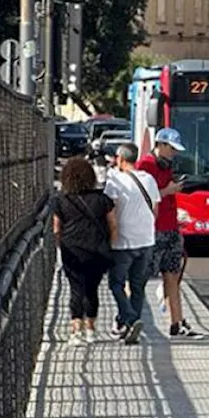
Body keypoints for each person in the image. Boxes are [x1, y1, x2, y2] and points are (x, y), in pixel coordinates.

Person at [137, 127, 199, 338]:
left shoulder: (167, 166)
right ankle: (131, 318)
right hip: (153, 230)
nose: (173, 153)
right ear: (160, 144)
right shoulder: (146, 166)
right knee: (141, 277)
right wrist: (168, 191)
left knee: (173, 275)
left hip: (171, 227)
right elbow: (143, 197)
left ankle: (177, 321)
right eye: (171, 148)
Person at [53, 156, 118, 346]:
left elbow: (57, 228)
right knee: (92, 289)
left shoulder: (61, 201)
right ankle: (91, 329)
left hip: (72, 250)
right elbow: (113, 225)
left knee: (75, 289)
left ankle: (76, 331)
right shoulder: (103, 199)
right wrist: (111, 246)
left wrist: (60, 246)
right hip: (98, 250)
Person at [104, 142, 160, 345]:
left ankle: (130, 318)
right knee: (138, 286)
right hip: (146, 239)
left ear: (119, 159)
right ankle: (130, 326)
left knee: (116, 283)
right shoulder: (149, 180)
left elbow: (110, 211)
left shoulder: (115, 181)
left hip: (123, 241)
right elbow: (155, 210)